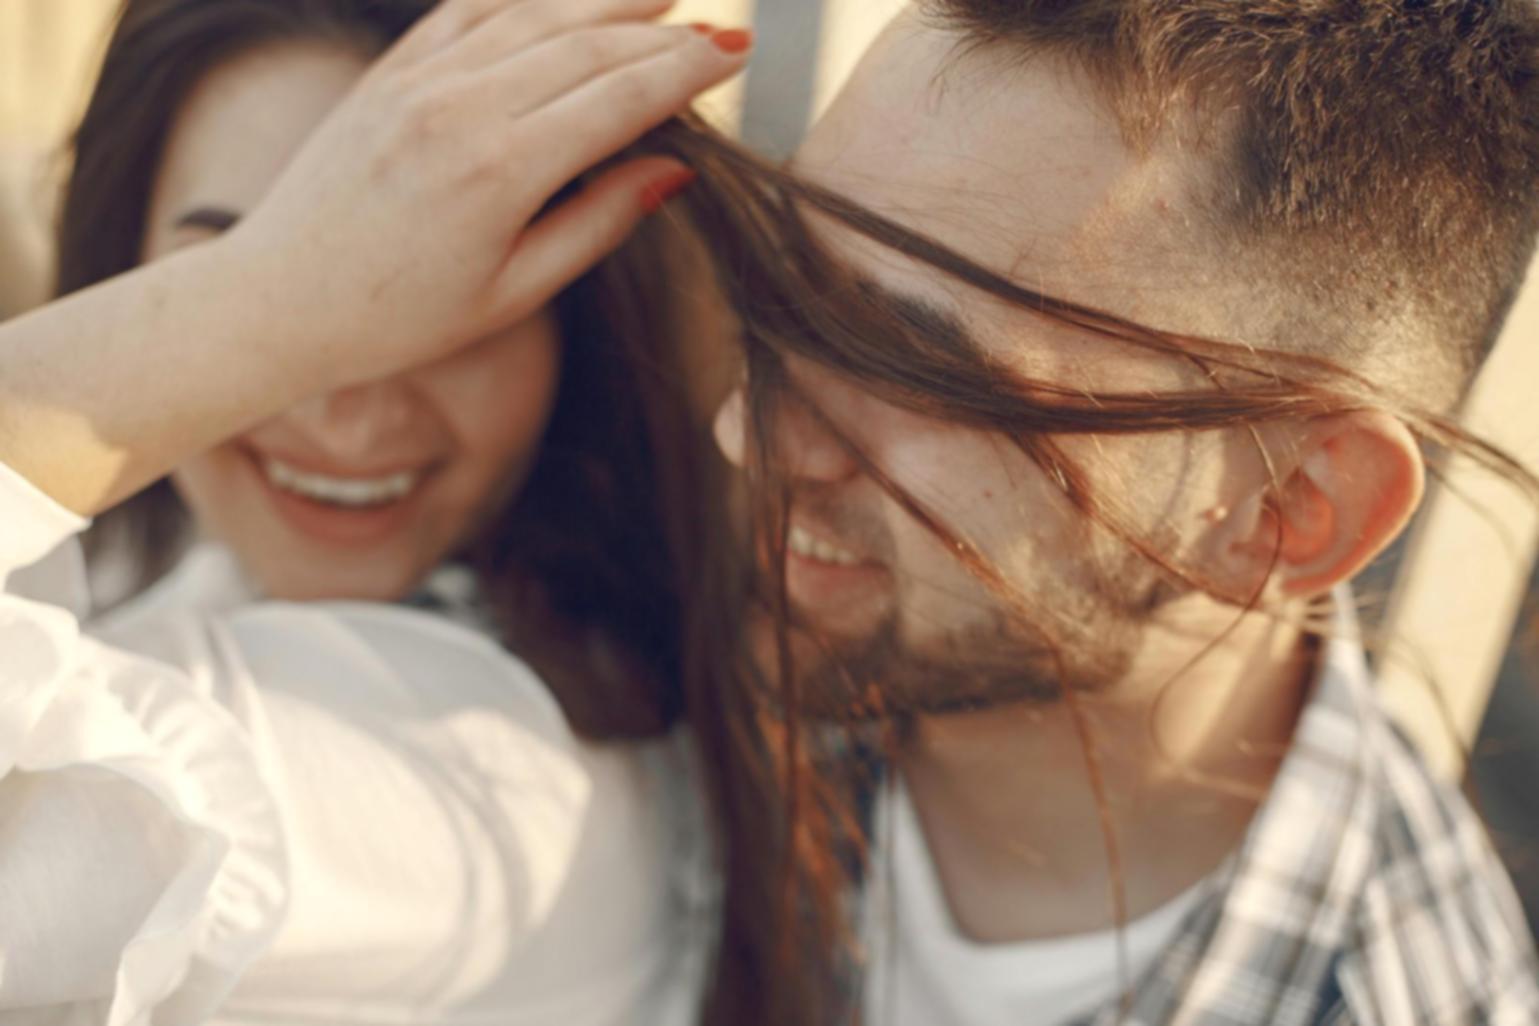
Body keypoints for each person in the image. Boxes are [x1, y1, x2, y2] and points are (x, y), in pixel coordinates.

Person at [672, 0, 1539, 1022]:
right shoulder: (691, 613)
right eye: (785, 286)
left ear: (1290, 508)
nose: (748, 431)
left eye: (915, 371)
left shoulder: (1394, 996)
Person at [0, 0, 750, 1020]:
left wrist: (255, 299)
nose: (346, 420)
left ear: (580, 333)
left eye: (457, 297)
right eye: (305, 283)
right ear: (119, 269)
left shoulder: (486, 784)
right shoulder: (165, 563)